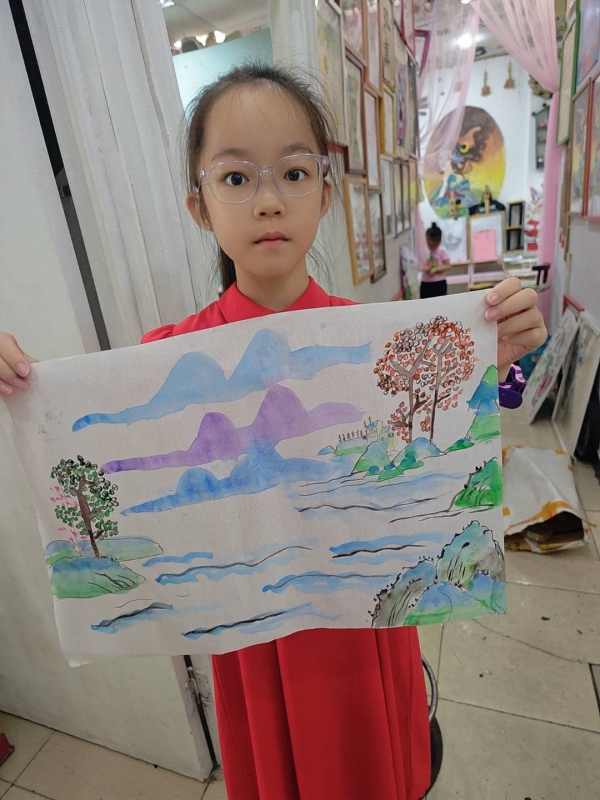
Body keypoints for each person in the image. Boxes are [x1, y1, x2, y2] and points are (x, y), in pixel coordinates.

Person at [0, 63, 547, 800]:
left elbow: (435, 457)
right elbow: (93, 448)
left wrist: (491, 351)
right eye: (235, 177)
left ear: (325, 192)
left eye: (293, 172)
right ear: (198, 206)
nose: (267, 200)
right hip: (252, 644)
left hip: (363, 632)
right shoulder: (164, 358)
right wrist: (20, 382)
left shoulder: (379, 339)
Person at [420, 222, 451, 299]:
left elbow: (448, 265)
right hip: (426, 283)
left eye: (437, 242)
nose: (435, 244)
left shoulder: (441, 250)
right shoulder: (424, 250)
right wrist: (424, 268)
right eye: (432, 241)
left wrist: (436, 269)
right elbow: (419, 264)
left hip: (439, 283)